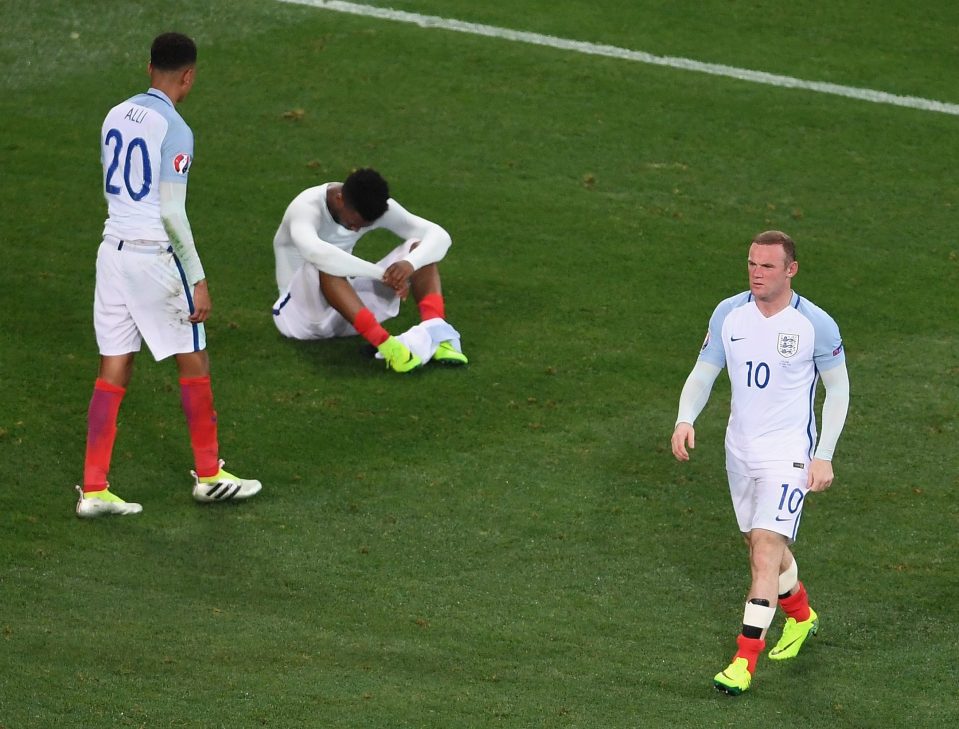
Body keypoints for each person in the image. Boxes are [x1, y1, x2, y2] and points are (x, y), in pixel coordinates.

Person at [76, 32, 261, 518]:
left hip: (110, 253)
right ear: (189, 76)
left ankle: (94, 488)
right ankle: (209, 475)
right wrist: (196, 276)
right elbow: (172, 214)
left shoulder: (114, 114)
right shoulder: (175, 129)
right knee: (193, 358)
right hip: (154, 257)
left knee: (114, 366)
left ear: (147, 67)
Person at [670, 230, 849, 695]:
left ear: (791, 270)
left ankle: (743, 662)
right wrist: (684, 419)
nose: (756, 272)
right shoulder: (729, 313)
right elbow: (704, 371)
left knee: (766, 550)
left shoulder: (816, 325)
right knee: (757, 545)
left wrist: (823, 455)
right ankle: (802, 616)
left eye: (767, 266)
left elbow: (839, 391)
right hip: (740, 450)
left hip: (789, 453)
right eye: (752, 263)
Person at [270, 168, 468, 372]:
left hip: (346, 313)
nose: (355, 229)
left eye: (364, 226)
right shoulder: (305, 207)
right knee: (325, 261)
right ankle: (389, 348)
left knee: (420, 248)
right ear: (340, 199)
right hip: (300, 319)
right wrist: (383, 275)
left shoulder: (375, 207)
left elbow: (440, 236)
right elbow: (319, 254)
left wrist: (409, 264)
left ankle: (438, 334)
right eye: (354, 223)